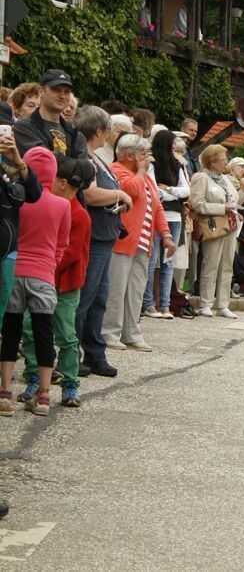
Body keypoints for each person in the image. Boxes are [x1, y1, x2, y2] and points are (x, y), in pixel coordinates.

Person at [18, 156, 94, 408]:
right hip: (43, 277)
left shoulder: (79, 215)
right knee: (31, 329)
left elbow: (70, 252)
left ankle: (71, 383)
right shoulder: (44, 204)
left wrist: (45, 268)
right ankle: (34, 376)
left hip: (64, 283)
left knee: (65, 334)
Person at [0, 148, 70, 417]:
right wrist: (49, 265)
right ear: (53, 174)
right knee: (43, 334)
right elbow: (62, 244)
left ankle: (4, 392)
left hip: (15, 271)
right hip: (43, 275)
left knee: (11, 332)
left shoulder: (17, 197)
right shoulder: (62, 205)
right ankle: (43, 395)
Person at [104, 135, 176, 351]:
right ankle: (109, 333)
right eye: (143, 153)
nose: (148, 158)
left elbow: (157, 206)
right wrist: (142, 172)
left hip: (143, 244)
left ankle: (131, 333)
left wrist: (166, 235)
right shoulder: (116, 170)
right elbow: (129, 191)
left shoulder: (144, 176)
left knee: (135, 290)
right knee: (116, 289)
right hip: (122, 241)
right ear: (129, 155)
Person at [75, 107, 130, 378]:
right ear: (100, 130)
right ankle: (72, 354)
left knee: (99, 299)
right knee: (84, 298)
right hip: (93, 236)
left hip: (104, 236)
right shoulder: (84, 155)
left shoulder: (96, 157)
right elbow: (91, 195)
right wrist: (121, 195)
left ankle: (95, 354)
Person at [142, 130, 188, 319]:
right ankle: (149, 304)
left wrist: (169, 189)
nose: (174, 148)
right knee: (152, 262)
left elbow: (186, 191)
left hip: (175, 217)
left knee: (168, 262)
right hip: (157, 215)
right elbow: (154, 192)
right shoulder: (151, 165)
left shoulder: (177, 165)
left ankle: (165, 305)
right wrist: (174, 194)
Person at [189, 145, 240, 318]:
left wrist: (234, 210)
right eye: (222, 159)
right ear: (212, 161)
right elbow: (196, 203)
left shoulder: (225, 178)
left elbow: (233, 199)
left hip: (230, 224)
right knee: (211, 263)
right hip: (213, 225)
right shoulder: (201, 178)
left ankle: (223, 304)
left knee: (227, 264)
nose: (226, 161)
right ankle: (205, 303)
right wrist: (222, 208)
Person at [13, 70, 86, 158]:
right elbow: (44, 161)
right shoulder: (24, 128)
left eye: (66, 91)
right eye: (56, 90)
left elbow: (87, 170)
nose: (62, 96)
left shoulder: (76, 134)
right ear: (41, 91)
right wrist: (84, 166)